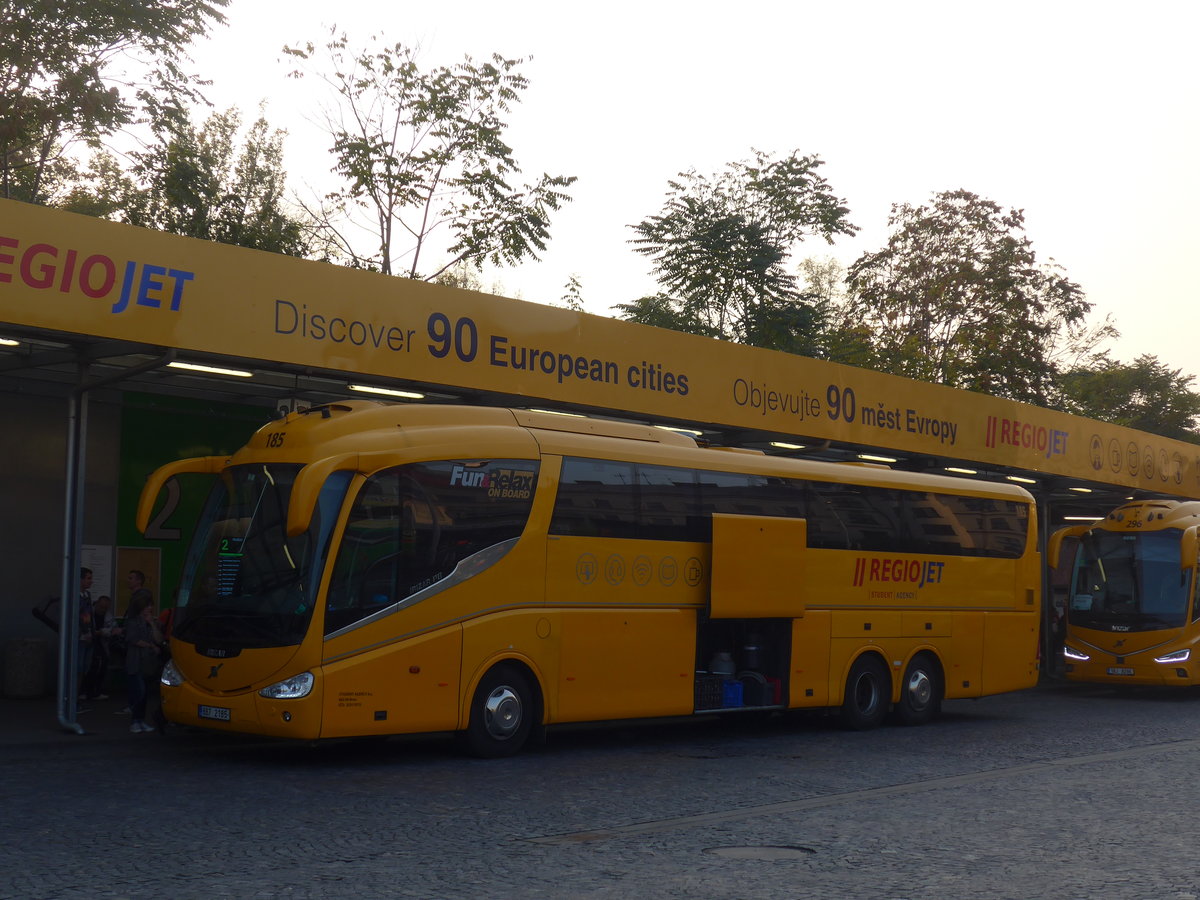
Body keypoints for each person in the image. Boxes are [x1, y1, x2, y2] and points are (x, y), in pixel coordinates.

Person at [123, 600, 164, 733]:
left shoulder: (152, 622)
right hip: (136, 661)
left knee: (144, 693)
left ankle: (140, 720)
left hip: (148, 663)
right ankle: (135, 721)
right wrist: (151, 646)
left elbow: (159, 639)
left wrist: (152, 623)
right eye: (147, 606)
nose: (150, 608)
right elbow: (133, 639)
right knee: (139, 692)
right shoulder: (133, 622)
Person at [82, 594, 118, 701]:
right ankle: (85, 691)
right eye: (101, 607)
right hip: (89, 642)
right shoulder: (89, 613)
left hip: (101, 643)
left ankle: (96, 691)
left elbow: (112, 628)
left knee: (102, 665)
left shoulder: (108, 616)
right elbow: (84, 626)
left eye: (105, 608)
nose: (102, 610)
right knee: (89, 666)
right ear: (97, 604)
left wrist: (102, 632)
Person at [77, 568, 95, 705]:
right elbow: (79, 616)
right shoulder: (76, 595)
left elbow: (88, 615)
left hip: (87, 634)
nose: (90, 581)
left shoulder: (86, 595)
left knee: (85, 667)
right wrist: (85, 631)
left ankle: (78, 694)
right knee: (78, 667)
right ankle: (74, 697)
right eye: (88, 578)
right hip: (80, 635)